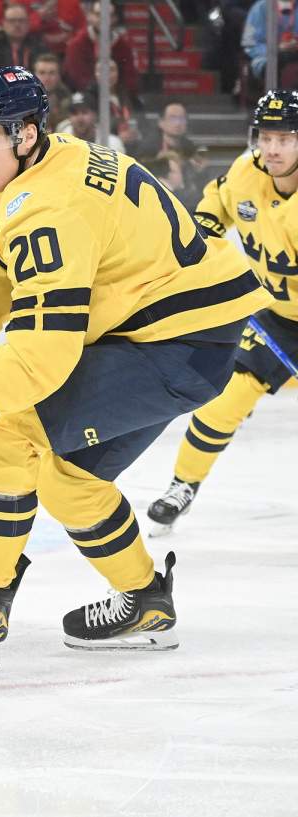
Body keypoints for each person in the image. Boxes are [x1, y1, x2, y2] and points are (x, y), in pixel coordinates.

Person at [0, 66, 270, 670]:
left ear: (25, 133)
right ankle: (146, 605)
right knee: (68, 477)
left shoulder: (48, 204)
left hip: (172, 343)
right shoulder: (57, 158)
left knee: (6, 436)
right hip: (184, 334)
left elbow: (46, 346)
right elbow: (15, 264)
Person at [146, 91, 298, 533]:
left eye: (285, 138)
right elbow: (217, 203)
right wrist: (204, 237)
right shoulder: (247, 172)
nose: (272, 148)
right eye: (266, 137)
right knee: (224, 402)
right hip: (274, 316)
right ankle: (183, 485)